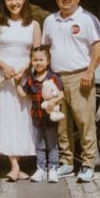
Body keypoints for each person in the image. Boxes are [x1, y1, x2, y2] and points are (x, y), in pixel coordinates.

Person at [41, 0, 100, 183]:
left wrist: (90, 71)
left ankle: (88, 164)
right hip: (56, 78)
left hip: (80, 77)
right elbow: (45, 48)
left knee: (85, 122)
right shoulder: (50, 20)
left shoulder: (87, 19)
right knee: (61, 123)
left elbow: (99, 45)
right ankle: (66, 162)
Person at [0, 0, 41, 182]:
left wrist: (24, 69)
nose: (14, 2)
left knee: (22, 118)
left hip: (23, 74)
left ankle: (20, 163)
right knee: (6, 117)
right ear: (4, 2)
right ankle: (14, 165)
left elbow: (37, 53)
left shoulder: (33, 25)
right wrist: (6, 68)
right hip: (3, 74)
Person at [19, 46, 63, 183]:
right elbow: (24, 94)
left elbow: (62, 93)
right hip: (36, 117)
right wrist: (16, 84)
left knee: (52, 144)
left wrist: (54, 101)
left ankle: (53, 168)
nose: (38, 63)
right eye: (35, 60)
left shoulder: (52, 77)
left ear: (48, 61)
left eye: (41, 60)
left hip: (50, 118)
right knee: (39, 145)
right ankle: (41, 169)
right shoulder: (31, 79)